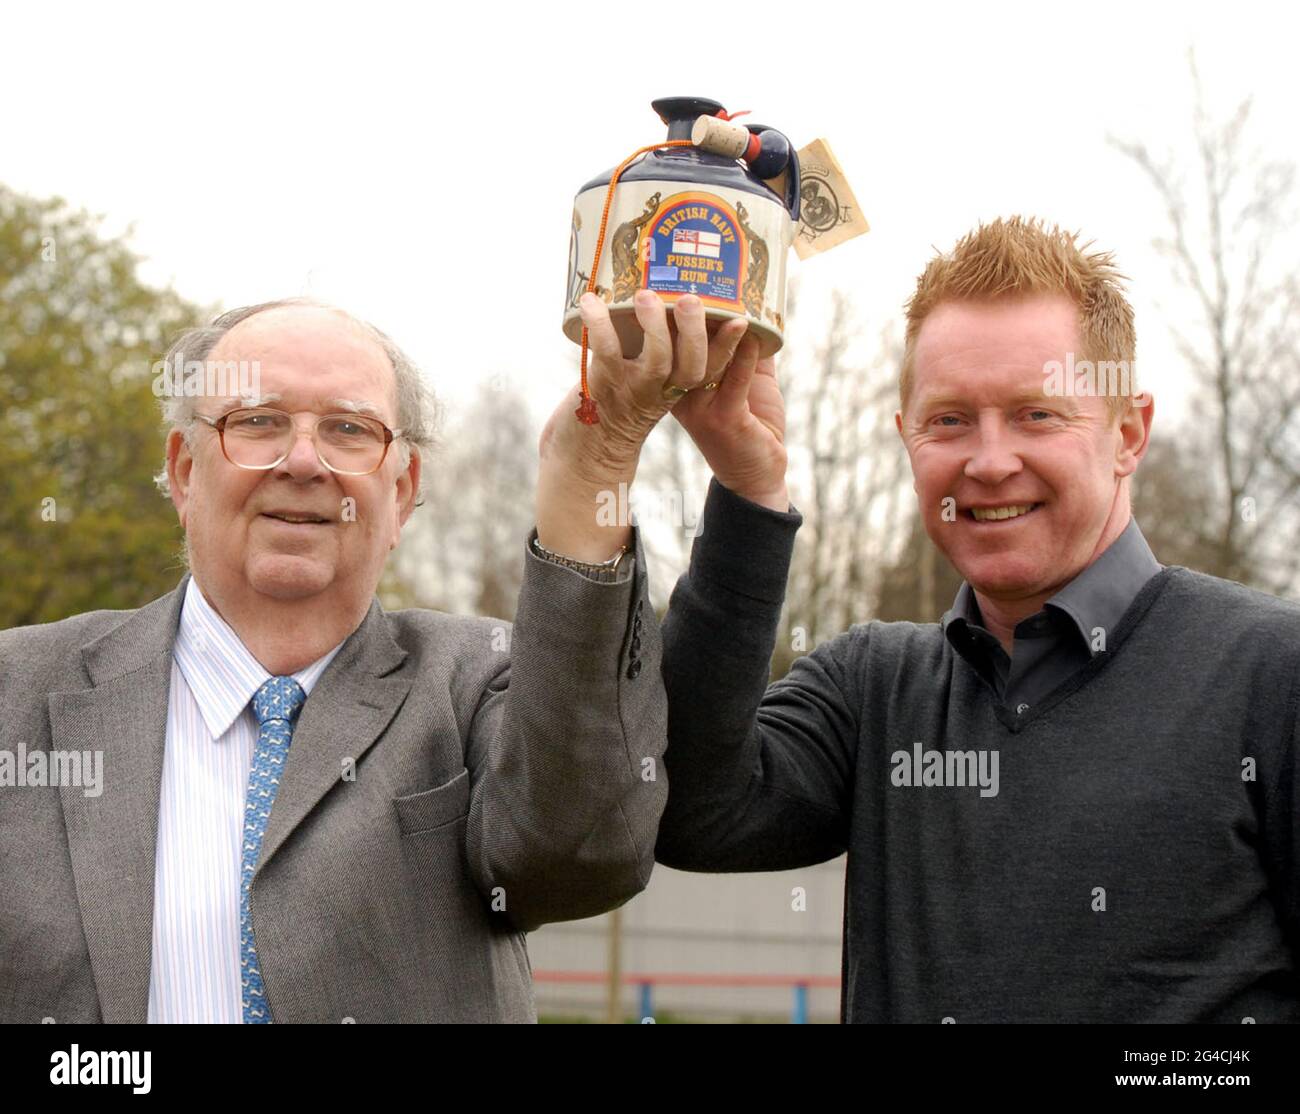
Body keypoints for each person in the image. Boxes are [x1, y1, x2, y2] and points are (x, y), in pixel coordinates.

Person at [0, 290, 747, 1023]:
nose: (302, 460)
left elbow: (579, 860)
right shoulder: (16, 693)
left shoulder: (480, 681)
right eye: (257, 421)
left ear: (402, 490)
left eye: (349, 430)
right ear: (187, 472)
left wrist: (593, 479)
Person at [650, 216, 1300, 1022]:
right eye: (950, 420)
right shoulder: (873, 691)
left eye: (1036, 414)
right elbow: (690, 812)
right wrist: (747, 487)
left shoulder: (1272, 672)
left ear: (1127, 432)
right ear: (906, 438)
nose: (990, 462)